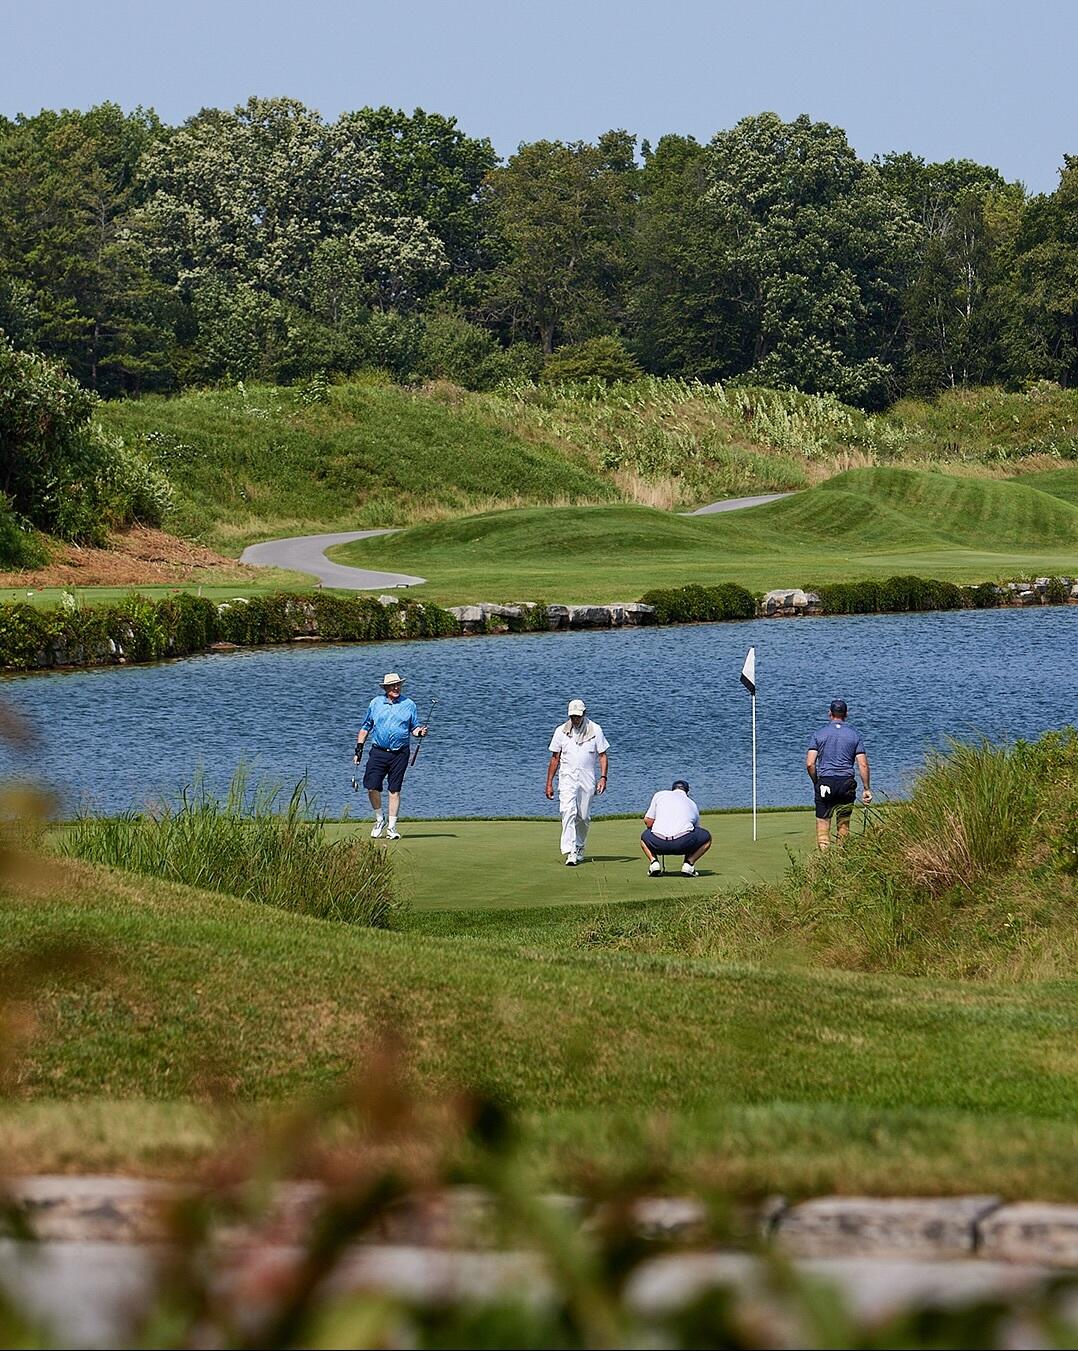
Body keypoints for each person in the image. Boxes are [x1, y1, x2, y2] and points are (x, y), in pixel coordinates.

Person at [354, 673, 428, 839]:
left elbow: (414, 728)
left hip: (400, 753)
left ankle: (392, 828)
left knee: (394, 790)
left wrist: (419, 732)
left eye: (398, 685)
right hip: (378, 752)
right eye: (393, 685)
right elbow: (365, 727)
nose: (396, 688)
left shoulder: (409, 704)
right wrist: (358, 750)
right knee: (372, 786)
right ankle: (380, 819)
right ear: (386, 688)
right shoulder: (375, 703)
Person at [545, 698, 609, 865]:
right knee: (568, 811)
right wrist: (549, 783)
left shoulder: (595, 730)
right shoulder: (560, 731)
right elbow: (555, 758)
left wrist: (603, 777)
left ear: (584, 714)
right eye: (572, 716)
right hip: (567, 777)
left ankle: (580, 846)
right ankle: (571, 850)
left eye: (578, 716)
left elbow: (602, 756)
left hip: (587, 778)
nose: (575, 719)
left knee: (583, 816)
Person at [805, 698, 872, 850]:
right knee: (843, 824)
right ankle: (842, 859)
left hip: (825, 782)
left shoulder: (818, 734)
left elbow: (810, 763)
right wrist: (866, 788)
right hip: (846, 783)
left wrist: (816, 781)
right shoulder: (854, 735)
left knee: (823, 824)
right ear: (846, 714)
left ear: (830, 713)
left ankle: (825, 861)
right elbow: (863, 764)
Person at [640, 780, 712, 876]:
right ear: (687, 792)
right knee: (706, 837)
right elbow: (694, 829)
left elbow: (648, 822)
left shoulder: (660, 795)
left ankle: (654, 863)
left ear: (672, 789)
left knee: (644, 837)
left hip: (657, 842)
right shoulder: (692, 804)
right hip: (682, 844)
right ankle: (688, 864)